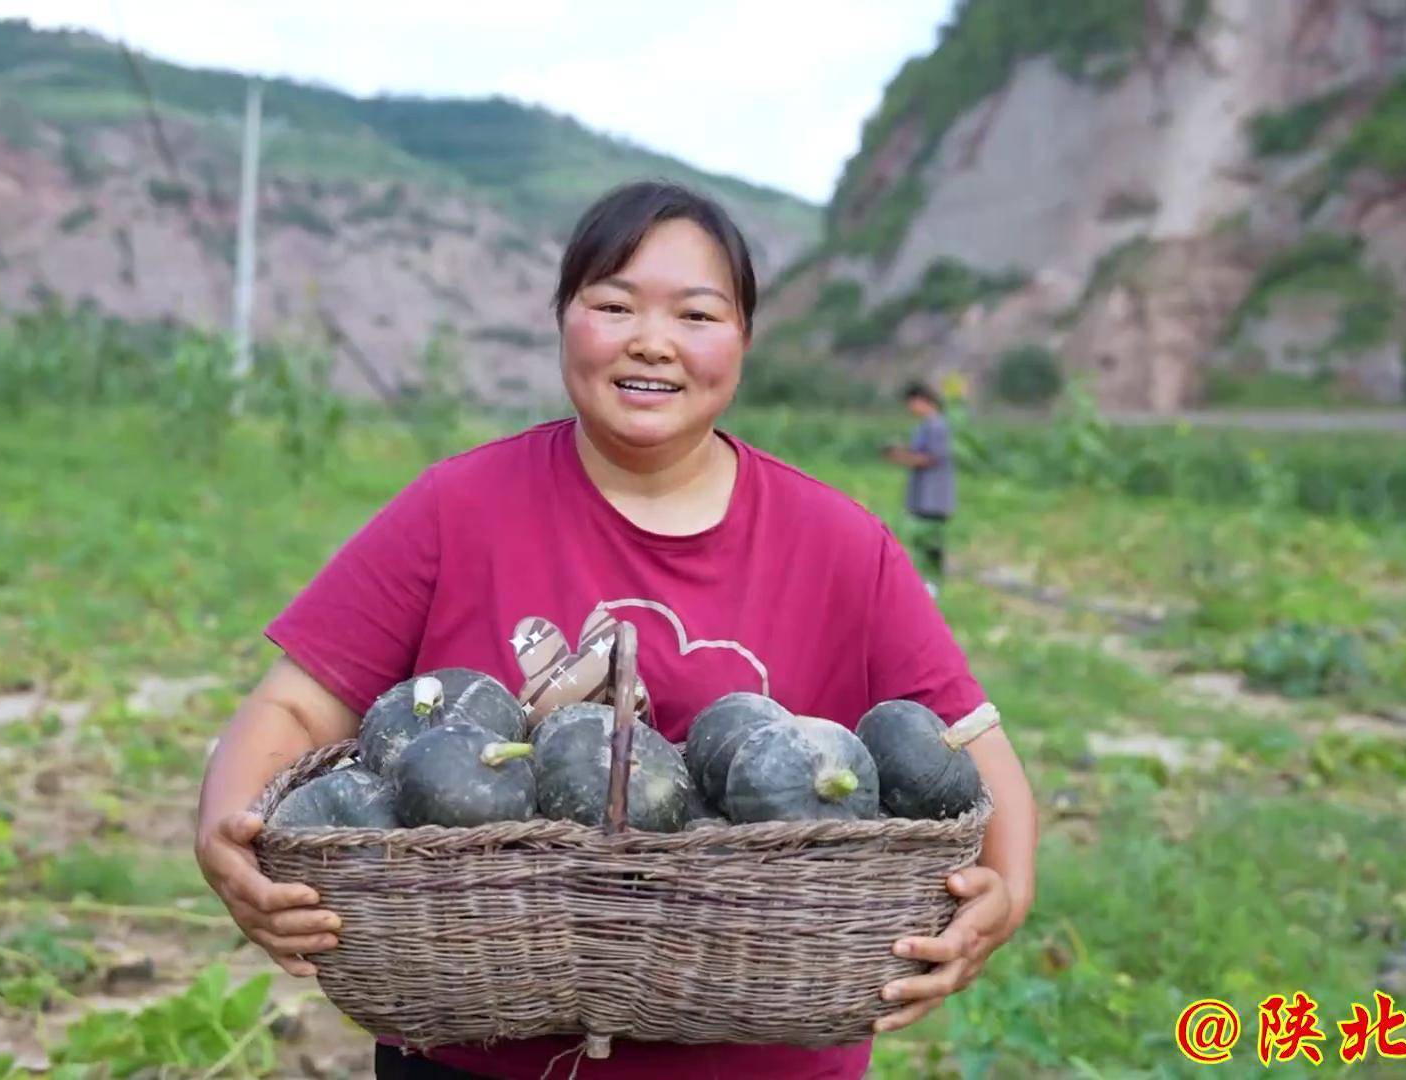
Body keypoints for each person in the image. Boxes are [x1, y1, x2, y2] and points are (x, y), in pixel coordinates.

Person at [194, 180, 1037, 1080]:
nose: (652, 340)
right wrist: (223, 833)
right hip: (476, 1056)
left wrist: (1009, 889)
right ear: (564, 320)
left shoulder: (839, 543)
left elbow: (971, 750)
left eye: (697, 314)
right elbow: (296, 705)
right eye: (613, 304)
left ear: (744, 341)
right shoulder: (457, 508)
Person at [884, 379, 957, 595]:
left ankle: (934, 582)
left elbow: (931, 458)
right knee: (922, 540)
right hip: (923, 493)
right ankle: (927, 580)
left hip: (934, 495)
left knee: (932, 540)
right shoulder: (924, 426)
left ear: (922, 401)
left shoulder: (937, 425)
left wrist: (902, 457)